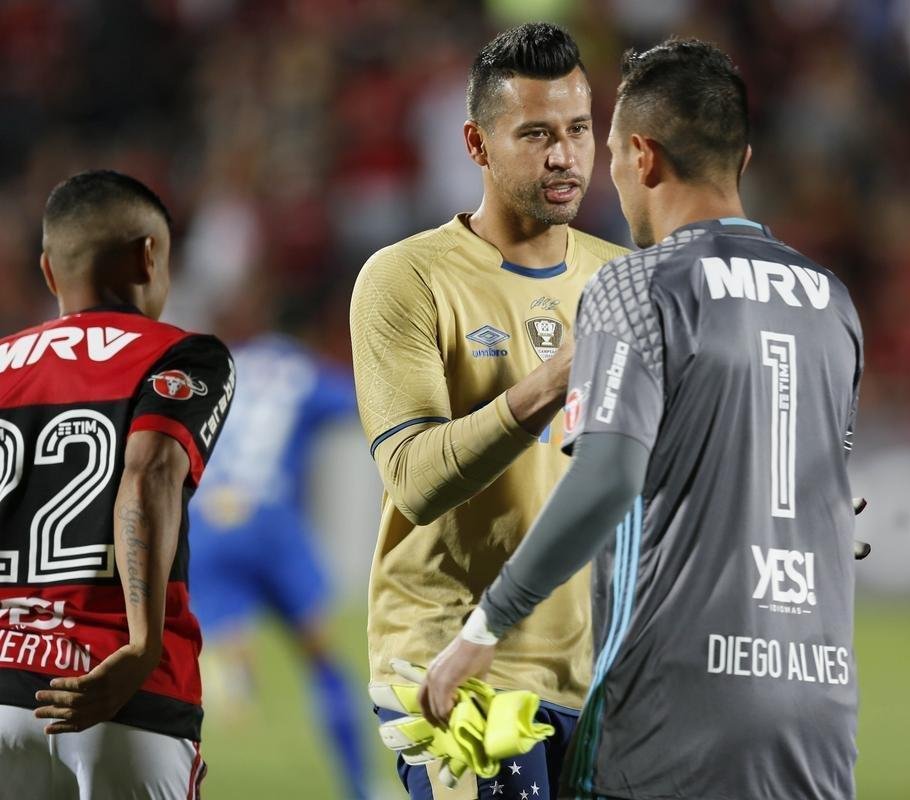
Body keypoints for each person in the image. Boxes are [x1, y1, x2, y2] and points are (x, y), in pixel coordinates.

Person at [421, 38, 865, 800]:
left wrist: (483, 629)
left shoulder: (638, 287)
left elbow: (608, 477)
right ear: (744, 160)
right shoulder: (833, 302)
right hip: (817, 719)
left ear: (642, 155)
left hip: (673, 717)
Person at [348, 22, 627, 800]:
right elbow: (413, 480)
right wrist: (553, 380)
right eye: (536, 134)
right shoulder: (408, 278)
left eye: (577, 131)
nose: (565, 155)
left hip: (600, 672)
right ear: (476, 143)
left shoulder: (629, 278)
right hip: (453, 667)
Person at [0, 170, 235, 798]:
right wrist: (140, 644)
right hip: (119, 696)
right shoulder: (183, 354)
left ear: (50, 272)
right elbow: (151, 468)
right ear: (149, 255)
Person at [186, 302, 368, 799]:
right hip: (270, 521)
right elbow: (362, 405)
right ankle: (360, 788)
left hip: (206, 525)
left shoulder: (216, 374)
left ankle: (230, 657)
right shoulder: (298, 370)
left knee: (216, 646)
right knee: (324, 658)